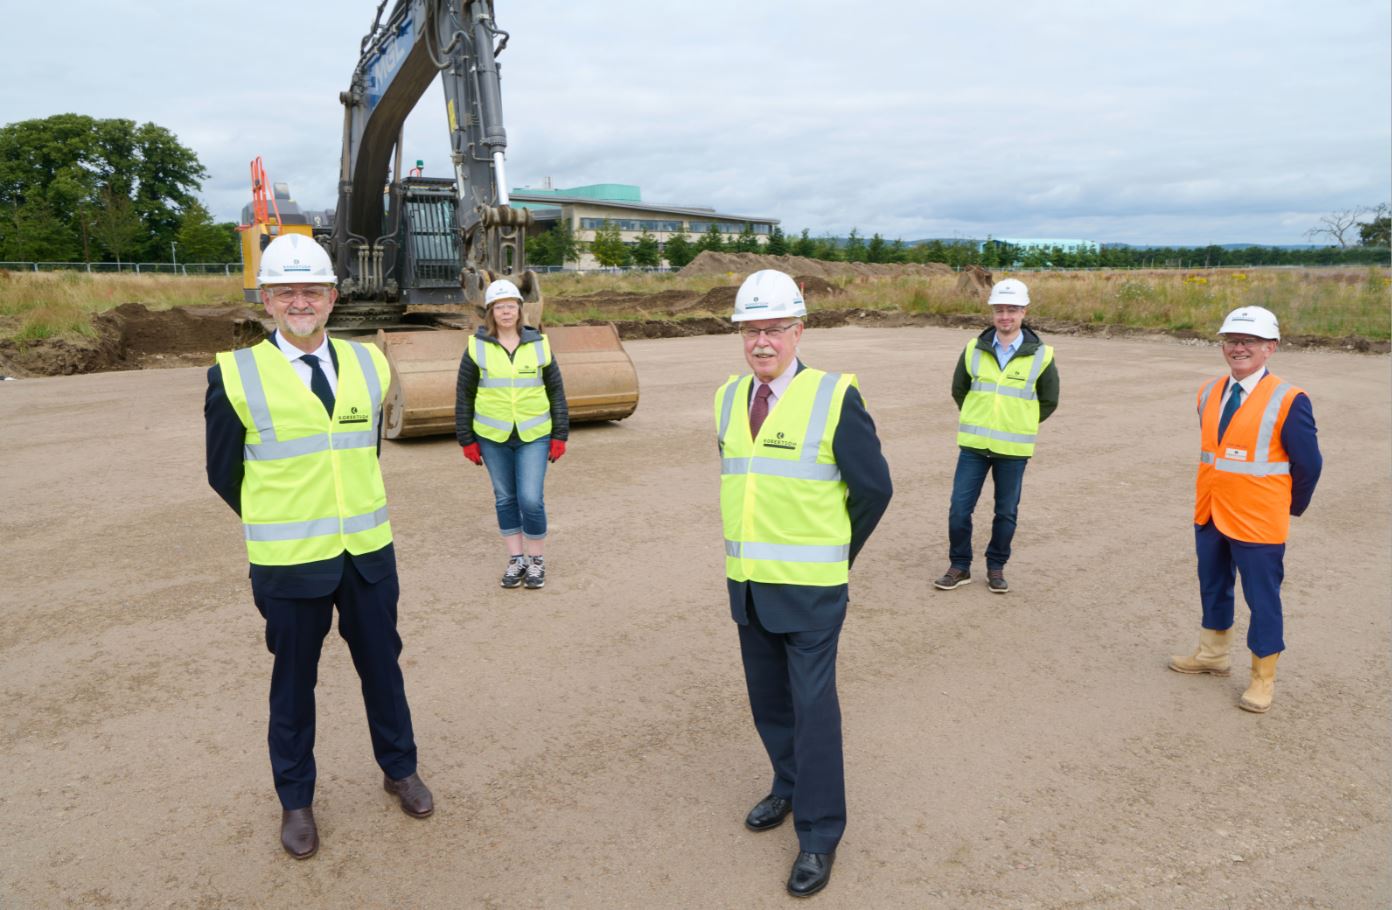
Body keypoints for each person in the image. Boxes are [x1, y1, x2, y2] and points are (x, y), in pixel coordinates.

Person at [205, 233, 433, 860]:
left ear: (333, 297)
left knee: (384, 671)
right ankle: (296, 802)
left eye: (311, 290)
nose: (299, 301)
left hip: (367, 555)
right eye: (286, 292)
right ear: (266, 301)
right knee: (293, 685)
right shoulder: (234, 375)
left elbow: (362, 453)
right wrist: (286, 519)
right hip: (290, 564)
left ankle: (400, 769)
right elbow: (223, 474)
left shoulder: (370, 363)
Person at [714, 270, 892, 898]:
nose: (762, 341)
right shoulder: (728, 397)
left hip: (812, 592)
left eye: (774, 329)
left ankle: (819, 836)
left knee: (814, 713)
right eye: (751, 330)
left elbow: (874, 490)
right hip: (751, 589)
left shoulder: (834, 396)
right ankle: (786, 787)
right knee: (771, 706)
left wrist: (836, 556)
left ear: (798, 330)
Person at [1169, 306, 1321, 713]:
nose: (1238, 348)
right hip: (1212, 511)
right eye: (1232, 341)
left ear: (1270, 348)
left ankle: (1262, 678)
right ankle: (1213, 654)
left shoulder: (1290, 399)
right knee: (1213, 585)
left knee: (1262, 598)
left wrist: (1286, 507)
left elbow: (1308, 465)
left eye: (1249, 341)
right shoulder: (1208, 392)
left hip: (1258, 520)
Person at [933, 278, 1059, 594]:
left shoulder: (1041, 355)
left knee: (1006, 512)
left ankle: (996, 567)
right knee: (959, 509)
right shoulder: (973, 349)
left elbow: (1049, 400)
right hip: (974, 447)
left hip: (1013, 449)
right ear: (992, 312)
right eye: (1000, 310)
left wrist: (1019, 422)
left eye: (1012, 310)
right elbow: (959, 390)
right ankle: (959, 566)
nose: (1005, 316)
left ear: (1023, 312)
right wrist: (978, 417)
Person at [455, 278, 569, 590]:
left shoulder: (539, 344)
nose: (506, 312)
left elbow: (556, 391)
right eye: (499, 307)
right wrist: (466, 439)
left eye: (511, 306)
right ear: (490, 313)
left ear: (520, 310)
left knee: (531, 499)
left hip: (534, 434)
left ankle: (536, 560)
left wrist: (560, 434)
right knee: (505, 498)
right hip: (493, 436)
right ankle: (516, 558)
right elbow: (464, 395)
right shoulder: (476, 348)